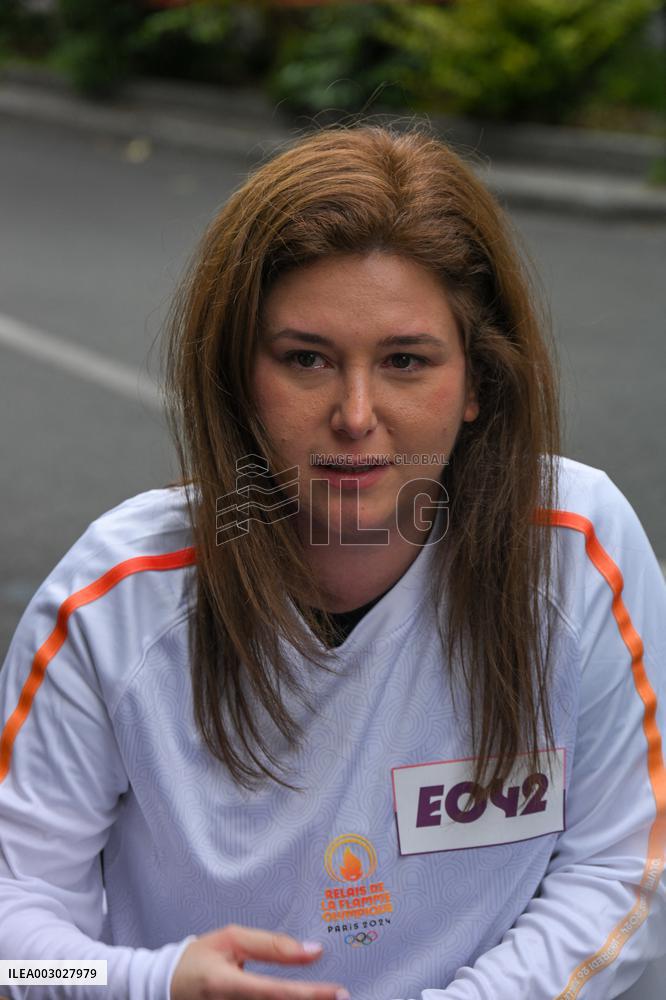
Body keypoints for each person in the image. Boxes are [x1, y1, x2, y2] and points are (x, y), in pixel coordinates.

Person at [0, 123, 665, 1000]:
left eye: (405, 362)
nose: (355, 416)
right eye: (306, 359)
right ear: (237, 377)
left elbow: (625, 868)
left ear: (477, 382)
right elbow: (15, 940)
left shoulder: (576, 546)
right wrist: (149, 981)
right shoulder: (112, 596)